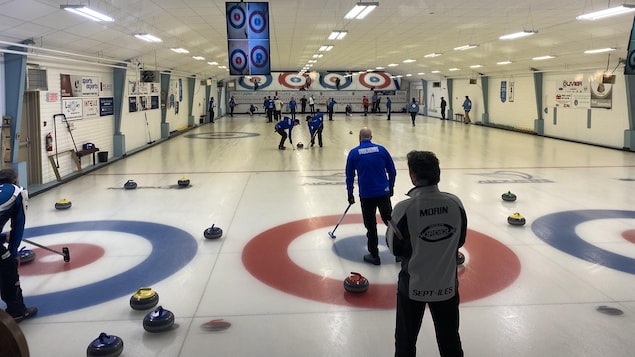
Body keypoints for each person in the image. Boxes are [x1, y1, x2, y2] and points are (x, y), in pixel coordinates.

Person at [386, 150, 466, 357]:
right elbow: (460, 240)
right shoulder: (455, 203)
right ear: (437, 173)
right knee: (450, 340)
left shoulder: (404, 208)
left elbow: (395, 248)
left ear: (413, 176)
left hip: (412, 288)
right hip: (447, 286)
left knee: (405, 341)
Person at [345, 127, 396, 265]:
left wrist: (350, 193)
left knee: (371, 225)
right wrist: (391, 186)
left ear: (359, 138)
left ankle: (374, 255)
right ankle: (400, 251)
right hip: (383, 192)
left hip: (366, 195)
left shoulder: (354, 153)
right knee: (390, 222)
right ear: (371, 137)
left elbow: (350, 176)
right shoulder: (382, 150)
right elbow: (392, 171)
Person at [0, 168, 37, 323]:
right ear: (15, 180)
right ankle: (17, 311)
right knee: (8, 266)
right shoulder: (17, 192)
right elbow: (18, 225)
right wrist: (13, 252)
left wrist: (1, 237)